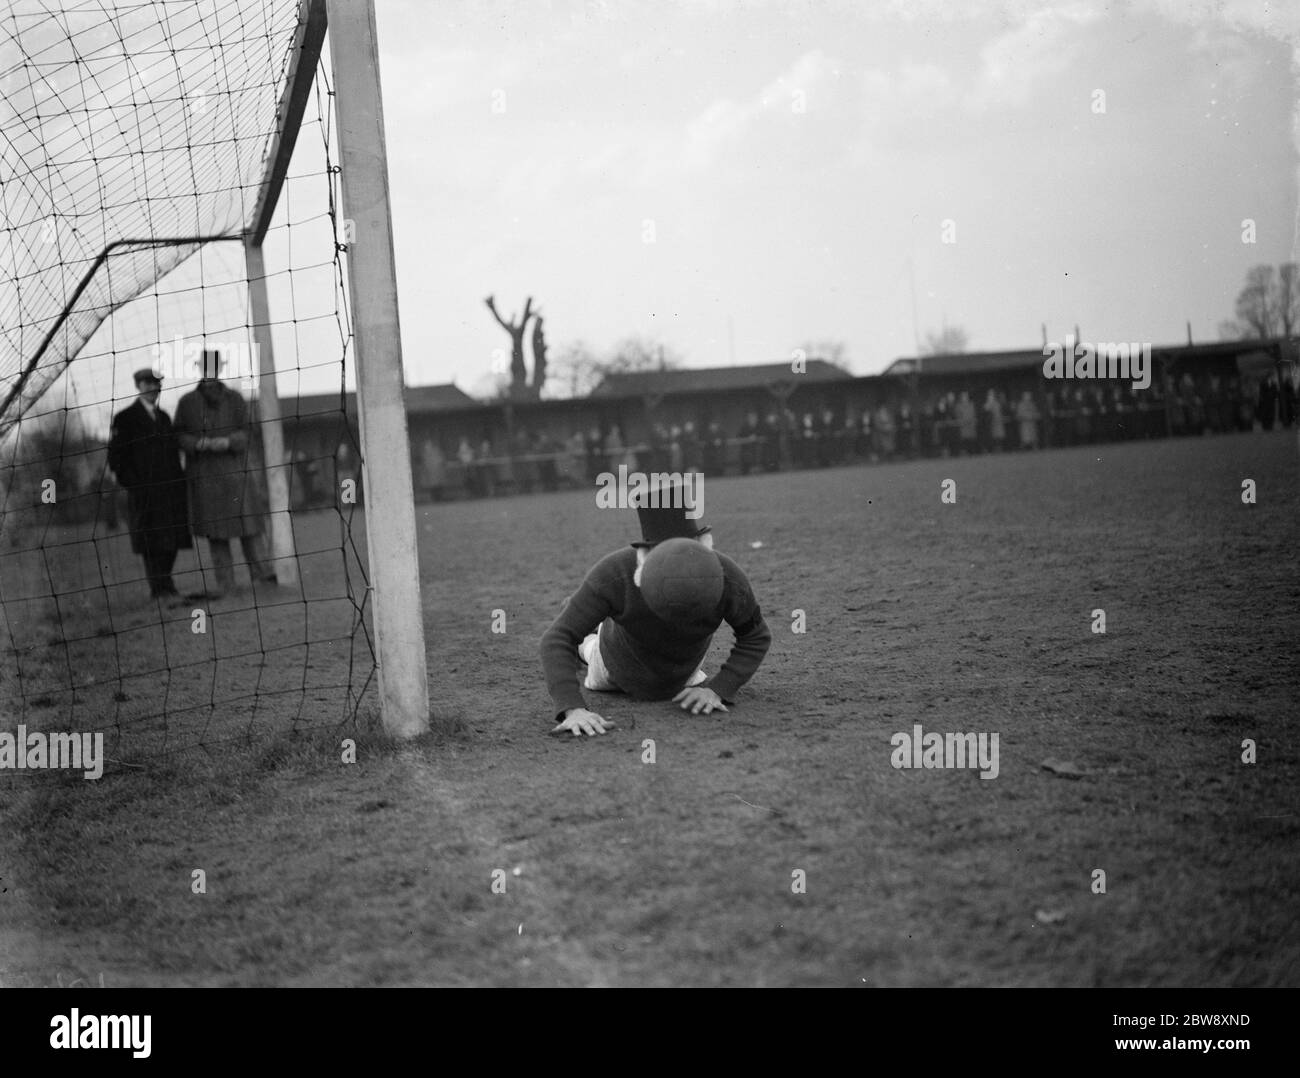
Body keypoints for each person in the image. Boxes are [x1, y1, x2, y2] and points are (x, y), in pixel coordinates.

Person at [540, 486, 772, 737]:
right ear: (647, 556)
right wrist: (573, 709)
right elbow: (556, 638)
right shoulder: (616, 573)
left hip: (687, 674)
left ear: (700, 545)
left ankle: (586, 618)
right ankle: (586, 632)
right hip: (612, 672)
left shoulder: (724, 576)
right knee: (588, 648)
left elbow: (756, 635)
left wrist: (718, 689)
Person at [173, 349, 275, 596]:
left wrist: (229, 442)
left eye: (214, 366)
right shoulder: (187, 402)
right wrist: (198, 444)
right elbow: (177, 435)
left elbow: (247, 430)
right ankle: (226, 585)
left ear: (219, 368)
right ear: (200, 369)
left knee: (250, 528)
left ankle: (263, 577)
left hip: (236, 475)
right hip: (205, 478)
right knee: (216, 535)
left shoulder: (235, 399)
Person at [106, 367, 192, 602]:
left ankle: (167, 583)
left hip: (169, 492)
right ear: (138, 386)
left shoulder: (164, 417)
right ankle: (159, 589)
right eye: (148, 384)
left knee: (171, 539)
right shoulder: (125, 419)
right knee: (150, 541)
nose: (153, 388)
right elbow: (115, 459)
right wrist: (135, 485)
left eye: (156, 384)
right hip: (144, 494)